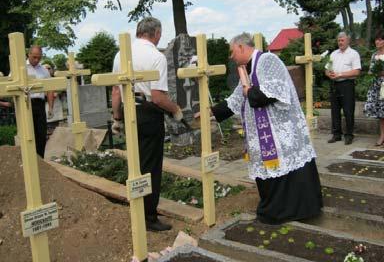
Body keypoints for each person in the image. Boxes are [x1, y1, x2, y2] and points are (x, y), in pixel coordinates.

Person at [210, 32, 323, 225]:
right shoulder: (248, 69)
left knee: (286, 169)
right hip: (265, 134)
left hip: (281, 130)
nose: (231, 56)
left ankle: (291, 210)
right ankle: (277, 208)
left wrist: (248, 91)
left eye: (231, 52)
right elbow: (237, 98)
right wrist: (212, 112)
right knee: (273, 171)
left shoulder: (268, 60)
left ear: (241, 47)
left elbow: (271, 93)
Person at [111, 17, 183, 231]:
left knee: (135, 163)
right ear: (156, 33)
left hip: (128, 110)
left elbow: (116, 90)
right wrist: (175, 110)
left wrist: (117, 118)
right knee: (150, 166)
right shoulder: (156, 56)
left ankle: (135, 209)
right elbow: (158, 97)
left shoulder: (121, 53)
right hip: (148, 114)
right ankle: (148, 217)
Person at [325, 32, 361, 145]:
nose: (340, 43)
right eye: (339, 41)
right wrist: (328, 74)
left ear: (348, 41)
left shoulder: (353, 54)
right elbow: (327, 68)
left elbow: (356, 71)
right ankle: (336, 134)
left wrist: (340, 74)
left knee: (348, 110)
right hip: (334, 84)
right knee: (335, 111)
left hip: (347, 85)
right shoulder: (334, 54)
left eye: (342, 40)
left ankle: (349, 135)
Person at [26, 46, 54, 158]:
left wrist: (51, 108)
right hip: (26, 104)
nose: (37, 60)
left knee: (41, 134)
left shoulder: (43, 70)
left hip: (40, 104)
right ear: (29, 54)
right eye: (34, 57)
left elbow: (50, 89)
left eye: (39, 58)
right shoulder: (20, 67)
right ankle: (30, 160)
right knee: (29, 135)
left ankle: (40, 160)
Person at [364, 30, 384, 145]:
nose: (378, 41)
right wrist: (374, 72)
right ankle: (382, 136)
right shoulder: (374, 55)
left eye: (380, 39)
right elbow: (370, 71)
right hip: (377, 86)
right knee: (381, 113)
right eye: (376, 39)